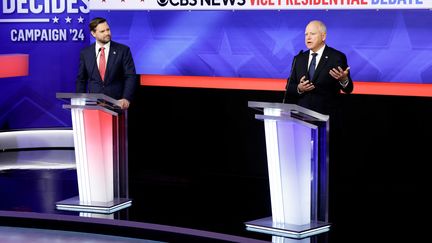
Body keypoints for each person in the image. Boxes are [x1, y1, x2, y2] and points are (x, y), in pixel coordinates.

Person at [286, 20, 353, 115]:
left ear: (323, 36)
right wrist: (299, 88)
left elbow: (348, 89)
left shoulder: (336, 57)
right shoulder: (299, 58)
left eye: (312, 34)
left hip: (327, 116)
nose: (308, 37)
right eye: (306, 34)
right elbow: (289, 86)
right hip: (302, 116)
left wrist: (343, 79)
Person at [76, 17, 137, 110]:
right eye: (102, 31)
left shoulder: (123, 50)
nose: (107, 33)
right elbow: (81, 79)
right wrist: (80, 99)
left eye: (108, 29)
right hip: (93, 105)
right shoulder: (85, 53)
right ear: (93, 33)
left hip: (117, 103)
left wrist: (126, 98)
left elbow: (130, 76)